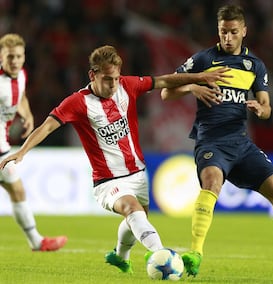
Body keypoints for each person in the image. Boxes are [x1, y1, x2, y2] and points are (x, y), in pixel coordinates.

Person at [0, 45, 230, 273]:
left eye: (117, 78)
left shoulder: (127, 86)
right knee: (131, 209)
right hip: (108, 181)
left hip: (138, 174)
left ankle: (120, 256)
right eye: (108, 79)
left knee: (137, 217)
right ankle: (161, 255)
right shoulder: (77, 103)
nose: (113, 85)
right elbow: (47, 126)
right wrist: (22, 151)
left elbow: (164, 80)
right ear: (93, 74)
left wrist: (199, 78)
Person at [160, 5, 273, 283]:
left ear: (244, 31)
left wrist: (261, 109)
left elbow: (267, 106)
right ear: (218, 31)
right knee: (212, 182)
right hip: (211, 141)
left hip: (242, 144)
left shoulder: (255, 66)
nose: (228, 38)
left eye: (233, 32)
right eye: (223, 32)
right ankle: (195, 253)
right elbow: (165, 91)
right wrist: (192, 86)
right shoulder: (202, 59)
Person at [0, 33, 67, 251]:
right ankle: (37, 242)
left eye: (19, 56)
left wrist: (27, 115)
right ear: (1, 56)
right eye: (10, 57)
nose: (15, 61)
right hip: (0, 147)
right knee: (17, 190)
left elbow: (21, 98)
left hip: (4, 144)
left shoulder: (21, 76)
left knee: (17, 191)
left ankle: (37, 242)